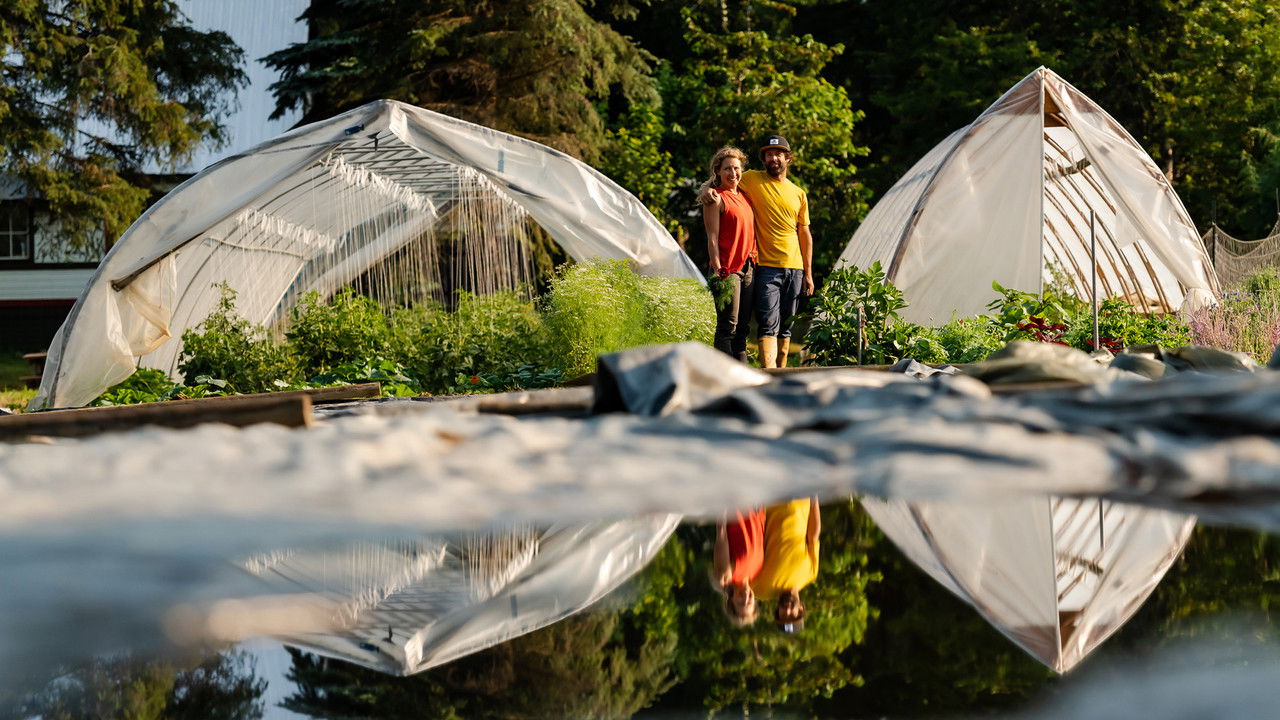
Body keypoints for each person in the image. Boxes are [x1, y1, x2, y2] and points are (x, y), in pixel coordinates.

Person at [701, 134, 814, 368]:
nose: (734, 173)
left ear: (788, 158)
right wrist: (705, 191)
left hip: (770, 267)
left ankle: (760, 374)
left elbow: (804, 233)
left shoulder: (788, 193)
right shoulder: (742, 184)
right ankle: (738, 373)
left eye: (778, 153)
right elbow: (712, 230)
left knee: (757, 326)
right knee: (741, 324)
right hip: (745, 268)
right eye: (769, 154)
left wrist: (809, 272)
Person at [702, 146, 758, 362]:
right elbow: (712, 237)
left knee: (743, 329)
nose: (733, 173)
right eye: (727, 169)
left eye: (736, 168)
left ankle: (742, 378)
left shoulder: (745, 196)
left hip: (748, 268)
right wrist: (718, 270)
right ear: (718, 171)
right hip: (727, 270)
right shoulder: (716, 198)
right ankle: (723, 377)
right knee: (728, 326)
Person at [750, 497, 820, 633]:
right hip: (800, 497)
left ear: (777, 611)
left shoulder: (759, 589)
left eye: (783, 615)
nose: (787, 610)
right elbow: (813, 536)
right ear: (801, 609)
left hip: (769, 499)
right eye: (792, 615)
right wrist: (814, 500)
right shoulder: (811, 574)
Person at [712, 507, 766, 626]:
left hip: (736, 505)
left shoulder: (728, 575)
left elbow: (721, 536)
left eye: (741, 603)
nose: (746, 598)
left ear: (731, 601)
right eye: (749, 603)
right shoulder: (757, 574)